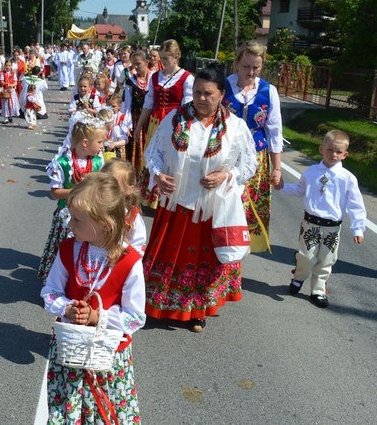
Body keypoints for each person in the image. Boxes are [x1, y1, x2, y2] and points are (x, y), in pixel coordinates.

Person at [141, 64, 257, 332]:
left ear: (221, 95)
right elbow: (153, 153)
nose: (201, 98)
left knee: (204, 262)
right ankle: (155, 304)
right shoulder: (174, 119)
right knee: (166, 258)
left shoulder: (235, 127)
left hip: (211, 208)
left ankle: (198, 311)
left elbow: (249, 165)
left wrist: (226, 175)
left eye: (208, 93)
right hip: (175, 206)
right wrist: (158, 175)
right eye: (197, 92)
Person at [41, 172, 145, 424]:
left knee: (105, 413)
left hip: (107, 355)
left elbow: (135, 318)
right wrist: (67, 308)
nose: (69, 226)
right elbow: (50, 292)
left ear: (104, 224)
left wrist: (99, 316)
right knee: (67, 408)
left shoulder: (129, 261)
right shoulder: (68, 250)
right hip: (70, 350)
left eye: (77, 220)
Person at [276, 130, 366, 308]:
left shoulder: (347, 178)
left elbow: (356, 204)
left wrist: (358, 228)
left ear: (345, 155)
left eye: (339, 152)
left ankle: (318, 289)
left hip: (332, 227)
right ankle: (299, 277)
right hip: (311, 223)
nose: (334, 155)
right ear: (321, 149)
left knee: (326, 260)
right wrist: (282, 187)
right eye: (330, 150)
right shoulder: (311, 172)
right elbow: (300, 189)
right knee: (306, 256)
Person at [223, 41, 283, 253]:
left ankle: (240, 253)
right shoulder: (223, 86)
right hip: (225, 157)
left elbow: (274, 132)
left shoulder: (269, 91)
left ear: (262, 66)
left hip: (255, 161)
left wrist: (277, 168)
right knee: (225, 206)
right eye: (246, 66)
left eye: (256, 67)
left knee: (247, 208)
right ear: (237, 63)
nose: (251, 71)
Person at [39, 116, 107, 280]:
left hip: (90, 216)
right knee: (67, 250)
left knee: (86, 249)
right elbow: (55, 193)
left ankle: (82, 280)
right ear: (85, 142)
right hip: (67, 216)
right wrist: (79, 190)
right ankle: (60, 280)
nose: (102, 145)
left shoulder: (98, 162)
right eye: (99, 142)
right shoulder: (63, 163)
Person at [134, 39, 194, 208]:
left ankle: (166, 198)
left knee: (170, 160)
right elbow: (149, 102)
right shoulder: (155, 76)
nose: (162, 61)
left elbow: (187, 106)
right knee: (152, 158)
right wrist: (139, 126)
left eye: (166, 58)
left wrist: (182, 130)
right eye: (161, 57)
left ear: (176, 57)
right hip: (154, 124)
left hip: (174, 125)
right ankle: (150, 198)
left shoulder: (187, 78)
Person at [101, 158, 147, 254]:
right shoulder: (94, 208)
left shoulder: (131, 216)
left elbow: (138, 245)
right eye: (103, 183)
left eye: (115, 186)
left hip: (119, 261)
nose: (107, 189)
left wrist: (126, 251)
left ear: (129, 190)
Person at [122, 50, 152, 171]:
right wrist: (127, 124)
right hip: (136, 118)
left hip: (151, 119)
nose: (135, 67)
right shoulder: (131, 81)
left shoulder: (155, 78)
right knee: (136, 145)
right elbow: (127, 104)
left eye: (138, 63)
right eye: (133, 64)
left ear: (146, 62)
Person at [0, 60, 18, 125]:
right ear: (5, 66)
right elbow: (1, 81)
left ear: (11, 66)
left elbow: (15, 82)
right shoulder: (3, 73)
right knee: (5, 104)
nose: (8, 67)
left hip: (11, 90)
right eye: (7, 65)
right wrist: (6, 84)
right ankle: (6, 117)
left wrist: (12, 85)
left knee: (11, 104)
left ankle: (10, 116)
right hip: (6, 90)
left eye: (9, 65)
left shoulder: (13, 73)